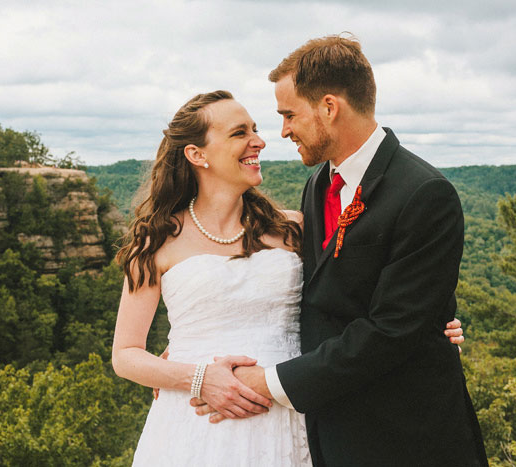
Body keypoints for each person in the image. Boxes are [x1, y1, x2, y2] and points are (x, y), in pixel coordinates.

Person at [112, 88, 465, 466]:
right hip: (199, 420)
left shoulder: (293, 228)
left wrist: (431, 323)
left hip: (294, 412)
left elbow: (358, 294)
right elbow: (126, 355)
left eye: (255, 129)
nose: (259, 141)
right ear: (197, 155)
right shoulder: (156, 240)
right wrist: (193, 376)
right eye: (239, 133)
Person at [193, 35, 488, 466]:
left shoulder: (425, 193)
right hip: (328, 432)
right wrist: (193, 351)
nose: (283, 130)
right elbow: (312, 293)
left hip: (407, 437)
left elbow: (391, 331)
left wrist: (264, 383)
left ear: (329, 107)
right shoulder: (318, 183)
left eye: (289, 114)